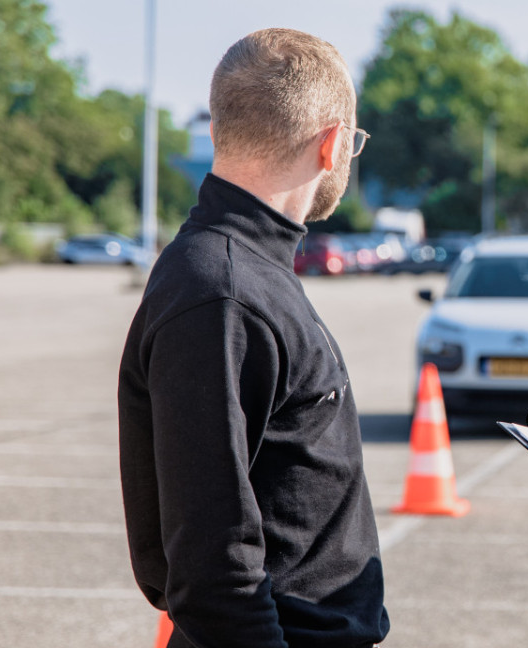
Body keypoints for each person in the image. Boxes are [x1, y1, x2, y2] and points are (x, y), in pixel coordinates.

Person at [118, 29, 388, 648]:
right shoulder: (222, 292)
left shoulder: (245, 271)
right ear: (333, 144)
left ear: (218, 131)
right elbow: (213, 571)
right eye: (355, 142)